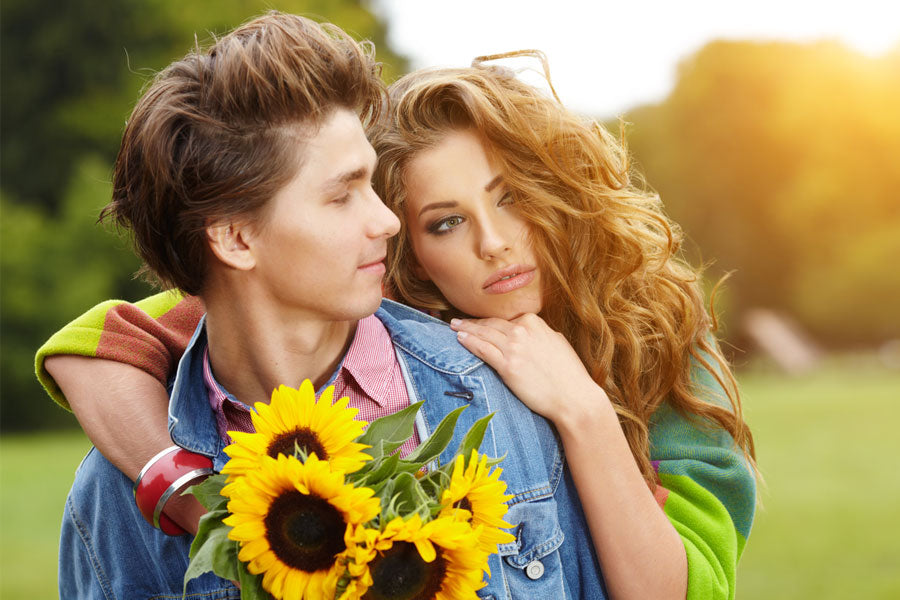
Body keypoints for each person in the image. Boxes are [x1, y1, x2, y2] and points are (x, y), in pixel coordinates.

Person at [36, 40, 757, 600]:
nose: (494, 242)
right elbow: (124, 336)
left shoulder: (654, 339)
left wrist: (585, 412)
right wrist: (174, 482)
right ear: (410, 249)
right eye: (444, 223)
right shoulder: (365, 292)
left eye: (513, 197)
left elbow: (683, 587)